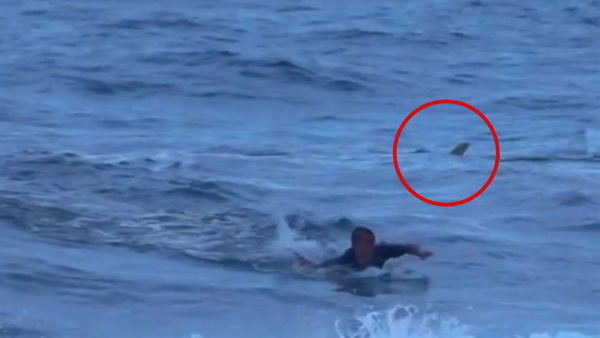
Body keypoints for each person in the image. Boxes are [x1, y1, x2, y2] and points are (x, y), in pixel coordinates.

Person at [297, 226, 433, 271]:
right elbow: (324, 268)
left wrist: (420, 252)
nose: (370, 246)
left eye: (372, 242)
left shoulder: (381, 250)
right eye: (367, 243)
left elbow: (408, 248)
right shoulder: (347, 259)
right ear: (355, 245)